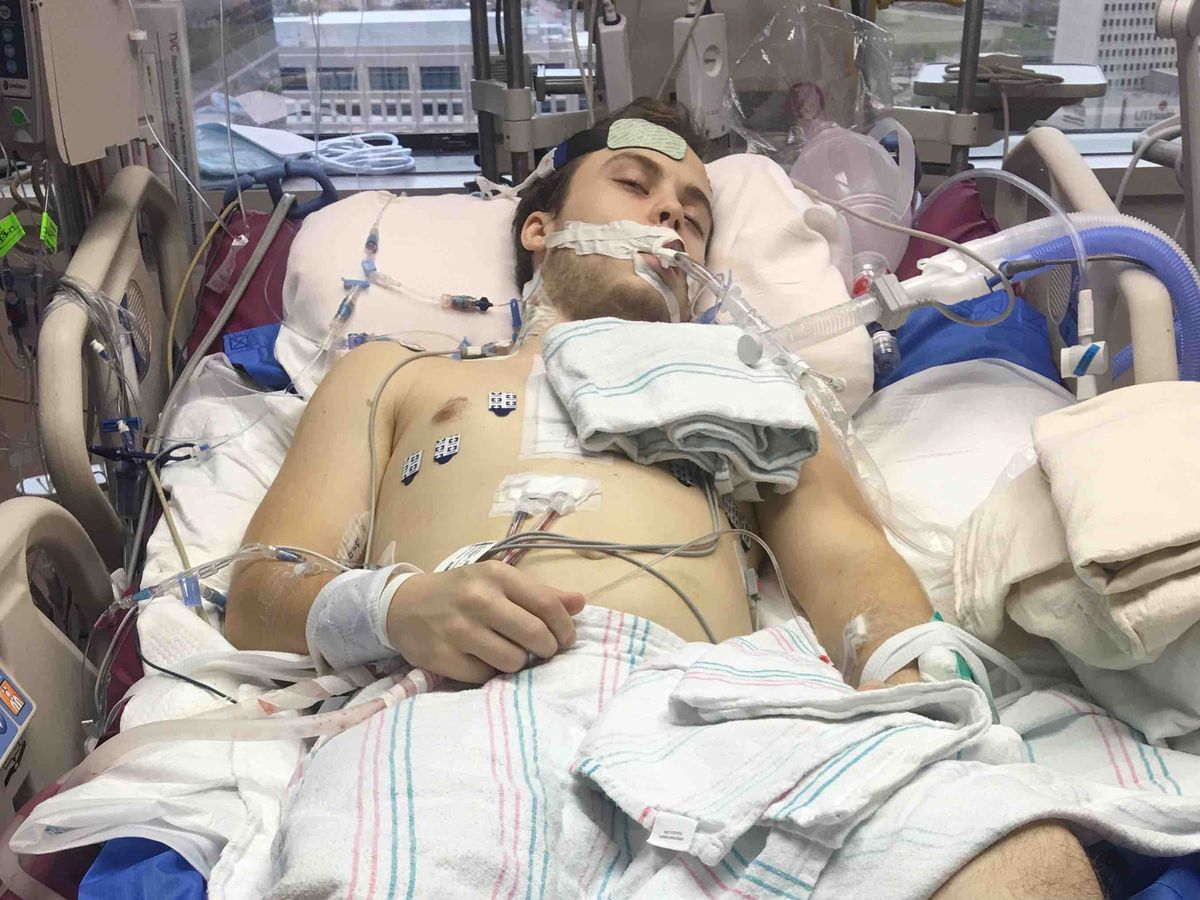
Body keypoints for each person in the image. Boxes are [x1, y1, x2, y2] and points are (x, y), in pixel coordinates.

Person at [225, 98, 1102, 898]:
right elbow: (262, 587)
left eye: (693, 211)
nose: (670, 214)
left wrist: (915, 692)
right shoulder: (395, 372)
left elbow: (843, 554)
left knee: (1028, 861)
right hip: (458, 708)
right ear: (540, 227)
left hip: (718, 704)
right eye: (634, 185)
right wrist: (396, 608)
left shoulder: (755, 382)